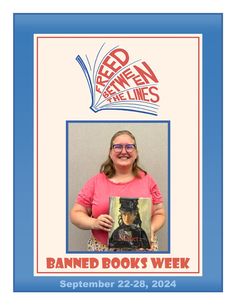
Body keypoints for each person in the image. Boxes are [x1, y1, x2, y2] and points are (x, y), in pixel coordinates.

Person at [70, 130, 165, 251]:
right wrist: (94, 223)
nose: (124, 151)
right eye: (118, 147)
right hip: (103, 250)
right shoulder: (95, 182)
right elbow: (76, 213)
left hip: (142, 251)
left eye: (129, 147)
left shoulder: (148, 180)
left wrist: (150, 228)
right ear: (110, 152)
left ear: (136, 153)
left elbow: (159, 212)